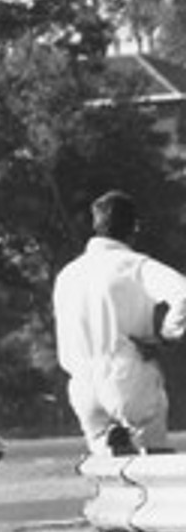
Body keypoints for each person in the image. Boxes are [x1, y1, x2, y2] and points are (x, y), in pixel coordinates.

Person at [53, 190, 186, 455]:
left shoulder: (67, 276)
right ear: (134, 227)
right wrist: (168, 334)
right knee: (153, 471)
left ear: (96, 225)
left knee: (109, 477)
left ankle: (111, 443)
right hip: (127, 377)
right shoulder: (134, 265)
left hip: (82, 385)